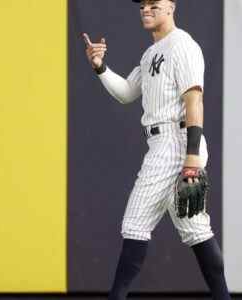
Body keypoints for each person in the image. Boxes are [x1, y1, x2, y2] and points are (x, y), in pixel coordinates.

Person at [82, 1, 231, 299]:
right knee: (196, 231)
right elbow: (126, 92)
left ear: (171, 7)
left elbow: (194, 102)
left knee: (135, 223)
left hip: (177, 141)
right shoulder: (151, 52)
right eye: (143, 5)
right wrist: (100, 67)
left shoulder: (183, 45)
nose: (146, 9)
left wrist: (191, 156)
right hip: (165, 141)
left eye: (154, 4)